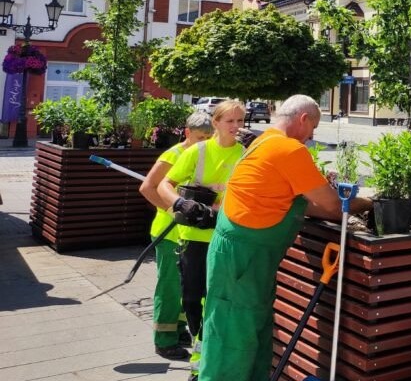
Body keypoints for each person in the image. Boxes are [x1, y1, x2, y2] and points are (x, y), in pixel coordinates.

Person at [198, 95, 372, 381]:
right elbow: (330, 204)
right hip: (242, 259)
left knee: (253, 331)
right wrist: (367, 204)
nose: (312, 137)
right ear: (303, 119)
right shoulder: (289, 150)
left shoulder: (264, 141)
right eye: (313, 129)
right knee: (231, 338)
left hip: (246, 257)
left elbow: (303, 203)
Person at [156, 99, 246, 378]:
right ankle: (200, 344)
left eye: (240, 121)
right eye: (229, 121)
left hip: (225, 237)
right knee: (192, 298)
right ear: (216, 123)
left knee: (217, 300)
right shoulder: (197, 151)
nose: (236, 126)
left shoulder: (245, 155)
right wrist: (179, 205)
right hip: (194, 237)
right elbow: (163, 184)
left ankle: (205, 361)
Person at [138, 111, 212, 361]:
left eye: (209, 137)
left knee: (185, 287)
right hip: (169, 232)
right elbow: (148, 187)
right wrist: (173, 209)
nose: (206, 142)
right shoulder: (174, 155)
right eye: (201, 136)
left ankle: (178, 330)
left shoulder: (202, 154)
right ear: (187, 133)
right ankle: (164, 340)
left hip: (187, 233)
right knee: (169, 288)